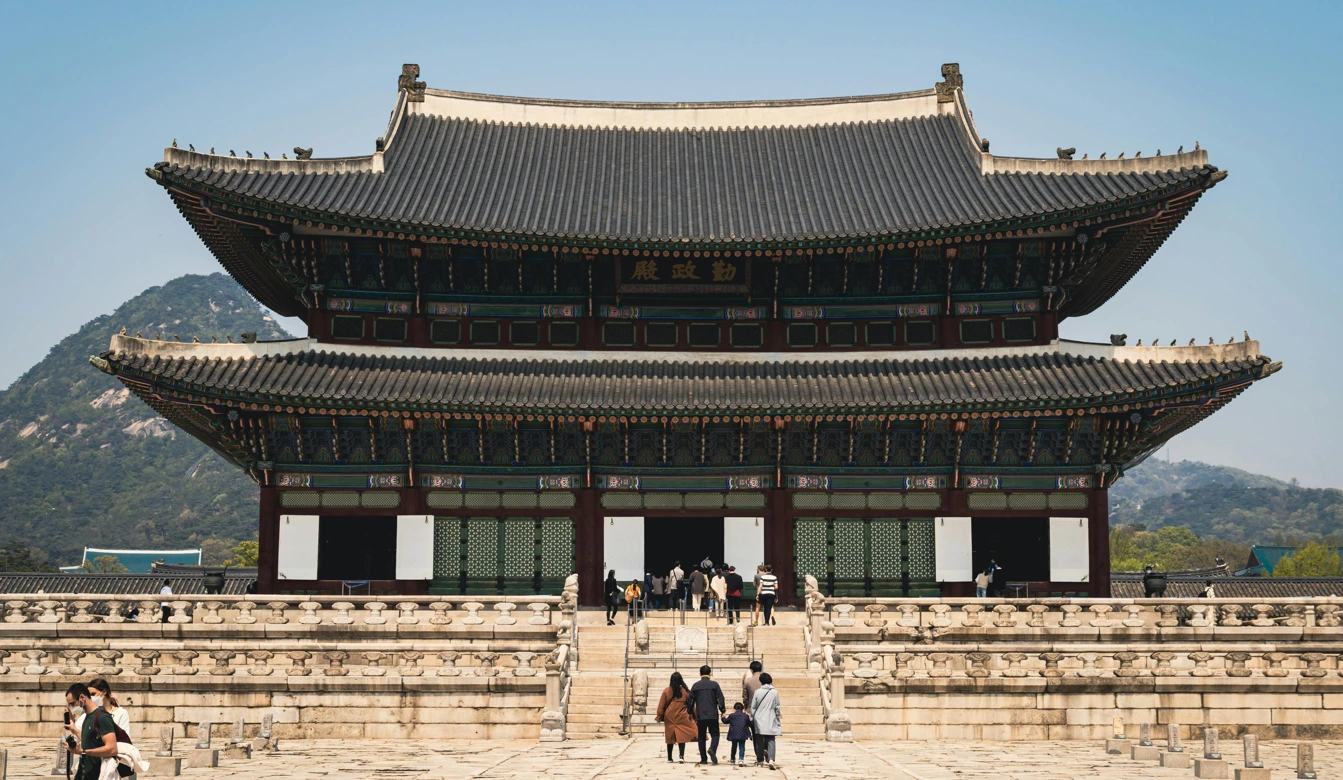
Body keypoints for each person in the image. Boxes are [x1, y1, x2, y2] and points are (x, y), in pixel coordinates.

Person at [64, 682, 117, 780]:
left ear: (82, 698)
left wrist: (83, 751)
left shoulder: (102, 717)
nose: (71, 707)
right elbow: (91, 742)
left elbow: (112, 749)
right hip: (83, 773)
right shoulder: (87, 717)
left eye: (72, 704)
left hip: (97, 774)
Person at [655, 672, 697, 763]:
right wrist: (694, 716)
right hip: (681, 715)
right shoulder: (685, 691)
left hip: (669, 716)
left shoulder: (667, 691)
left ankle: (669, 757)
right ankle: (681, 756)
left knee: (670, 737)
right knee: (682, 736)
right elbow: (690, 705)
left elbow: (661, 705)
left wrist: (659, 716)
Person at [689, 665, 726, 765]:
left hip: (700, 715)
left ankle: (703, 759)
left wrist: (689, 712)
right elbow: (720, 698)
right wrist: (722, 709)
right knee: (715, 734)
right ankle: (712, 749)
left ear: (700, 674)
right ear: (710, 673)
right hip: (712, 715)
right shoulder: (714, 685)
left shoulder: (695, 686)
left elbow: (691, 700)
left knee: (701, 737)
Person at [749, 672, 782, 769]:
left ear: (761, 681)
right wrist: (777, 716)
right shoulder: (774, 692)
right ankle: (771, 760)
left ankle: (760, 761)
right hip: (770, 717)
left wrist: (752, 717)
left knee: (759, 740)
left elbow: (753, 707)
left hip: (759, 718)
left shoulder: (757, 692)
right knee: (771, 739)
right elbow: (777, 706)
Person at [722, 701, 753, 766]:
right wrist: (750, 718)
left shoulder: (731, 716)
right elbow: (750, 724)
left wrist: (723, 717)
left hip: (734, 734)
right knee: (742, 746)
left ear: (734, 709)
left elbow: (725, 721)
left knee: (734, 746)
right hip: (742, 734)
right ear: (743, 709)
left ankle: (733, 759)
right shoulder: (745, 716)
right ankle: (741, 759)